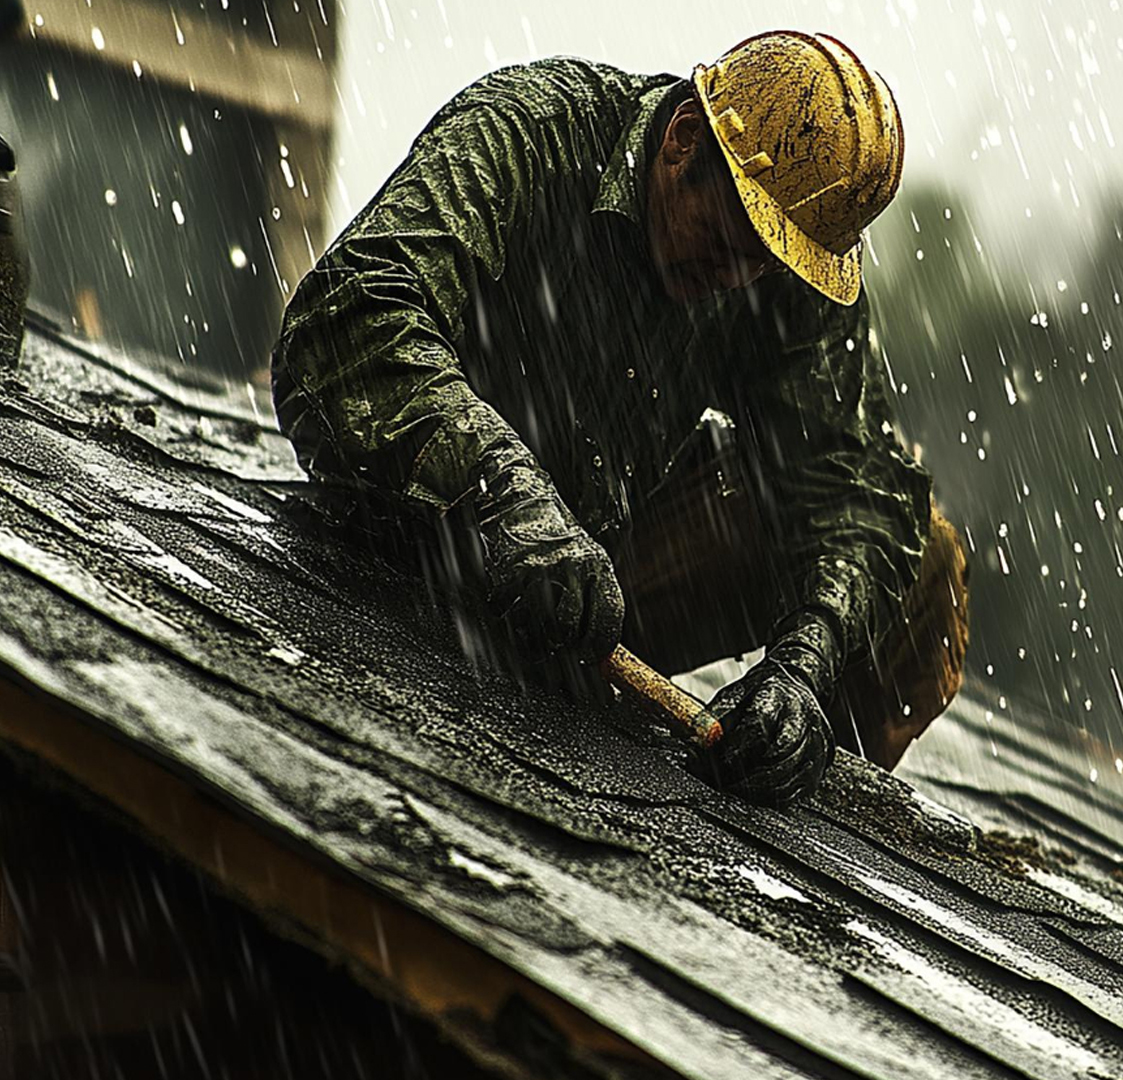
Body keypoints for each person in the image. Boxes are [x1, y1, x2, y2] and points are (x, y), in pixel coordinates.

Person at [271, 32, 968, 808]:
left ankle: (774, 788)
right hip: (431, 539)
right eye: (727, 241)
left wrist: (804, 665)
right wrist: (502, 490)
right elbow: (347, 318)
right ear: (681, 141)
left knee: (922, 562)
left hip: (604, 588)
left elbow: (851, 484)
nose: (734, 281)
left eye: (762, 264)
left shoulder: (790, 249)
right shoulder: (526, 131)